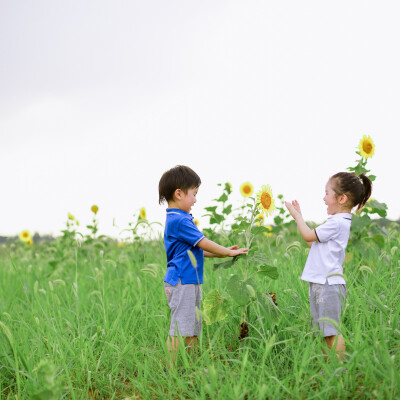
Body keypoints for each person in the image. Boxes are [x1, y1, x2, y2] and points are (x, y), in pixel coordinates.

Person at [159, 165, 248, 366]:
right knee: (179, 328)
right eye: (194, 194)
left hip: (189, 280)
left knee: (191, 326)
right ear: (179, 194)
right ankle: (170, 371)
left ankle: (189, 367)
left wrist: (223, 250)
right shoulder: (180, 220)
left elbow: (197, 250)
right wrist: (227, 251)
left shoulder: (179, 218)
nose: (196, 200)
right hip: (183, 281)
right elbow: (204, 242)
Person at [285, 172, 372, 360]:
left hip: (328, 285)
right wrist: (299, 217)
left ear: (342, 198)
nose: (323, 198)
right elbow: (312, 243)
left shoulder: (337, 222)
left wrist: (297, 216)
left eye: (326, 193)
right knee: (325, 331)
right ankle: (330, 367)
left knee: (331, 330)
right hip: (321, 283)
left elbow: (308, 236)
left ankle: (339, 369)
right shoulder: (336, 222)